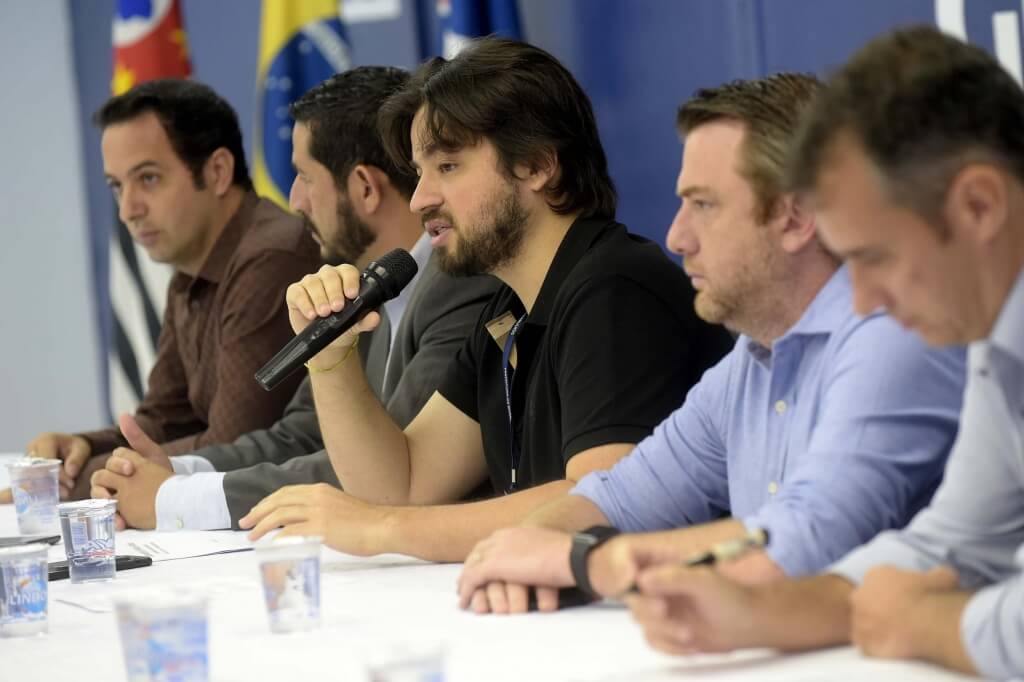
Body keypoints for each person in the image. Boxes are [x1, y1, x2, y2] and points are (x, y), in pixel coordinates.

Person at [456, 72, 967, 614]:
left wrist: (586, 562)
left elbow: (809, 540)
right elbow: (615, 497)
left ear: (795, 218)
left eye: (703, 205)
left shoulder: (894, 333)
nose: (677, 237)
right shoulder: (752, 358)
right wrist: (524, 550)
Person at [619, 27, 1024, 680]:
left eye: (875, 257)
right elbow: (948, 547)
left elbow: (922, 600)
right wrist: (756, 616)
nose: (861, 301)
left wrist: (928, 625)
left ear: (979, 206)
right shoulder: (992, 341)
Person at [239, 37, 735, 561]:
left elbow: (599, 504)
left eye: (448, 166)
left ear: (536, 165)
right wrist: (331, 358)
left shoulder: (616, 289)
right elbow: (402, 485)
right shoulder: (508, 311)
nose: (420, 199)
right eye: (420, 172)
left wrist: (383, 527)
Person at [87, 67, 498, 530]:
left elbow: (386, 471)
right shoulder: (366, 284)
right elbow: (301, 434)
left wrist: (175, 499)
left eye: (303, 176)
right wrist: (175, 472)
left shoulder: (462, 284)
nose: (294, 200)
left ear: (365, 187)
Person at [11, 79, 319, 503]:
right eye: (117, 186)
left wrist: (61, 485)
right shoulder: (190, 267)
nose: (127, 210)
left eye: (148, 178)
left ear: (217, 172)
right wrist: (78, 450)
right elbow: (164, 419)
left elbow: (229, 447)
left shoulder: (272, 256)